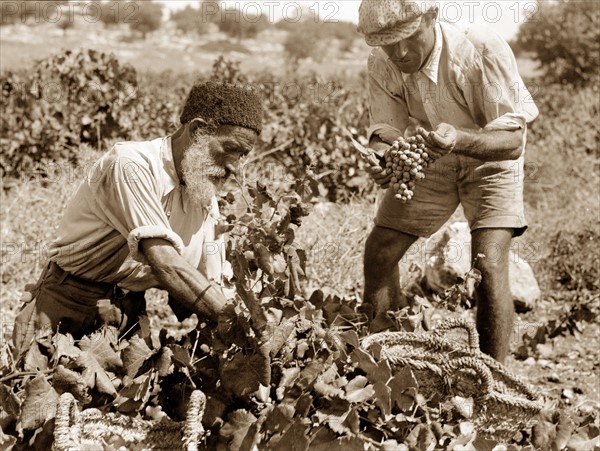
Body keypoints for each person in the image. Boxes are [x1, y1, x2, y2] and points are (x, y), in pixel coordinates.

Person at [12, 81, 262, 357]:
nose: (235, 168)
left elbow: (210, 282)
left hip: (128, 315)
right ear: (197, 130)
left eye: (243, 156)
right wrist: (241, 325)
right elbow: (166, 263)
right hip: (66, 305)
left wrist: (253, 322)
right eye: (230, 149)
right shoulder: (131, 165)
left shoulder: (204, 198)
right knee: (38, 391)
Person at [357, 0, 539, 362]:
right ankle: (385, 362)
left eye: (408, 37)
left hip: (491, 153)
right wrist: (381, 156)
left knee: (488, 263)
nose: (399, 52)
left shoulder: (480, 47)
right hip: (433, 152)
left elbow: (512, 140)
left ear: (432, 16)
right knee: (379, 251)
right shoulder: (382, 61)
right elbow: (388, 132)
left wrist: (459, 139)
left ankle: (492, 381)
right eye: (387, 43)